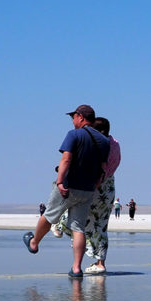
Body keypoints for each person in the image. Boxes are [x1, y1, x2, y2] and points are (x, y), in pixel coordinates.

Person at [23, 105, 110, 277]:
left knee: (49, 215)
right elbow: (102, 168)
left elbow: (66, 159)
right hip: (87, 189)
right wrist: (95, 185)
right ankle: (76, 268)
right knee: (78, 227)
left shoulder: (74, 135)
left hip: (69, 186)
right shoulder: (104, 141)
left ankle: (34, 243)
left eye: (73, 117)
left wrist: (60, 181)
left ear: (80, 117)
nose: (72, 121)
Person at [53, 117, 121, 274]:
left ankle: (59, 226)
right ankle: (100, 263)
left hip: (93, 184)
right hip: (108, 187)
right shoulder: (115, 144)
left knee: (77, 215)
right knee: (101, 225)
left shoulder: (96, 144)